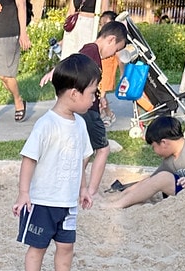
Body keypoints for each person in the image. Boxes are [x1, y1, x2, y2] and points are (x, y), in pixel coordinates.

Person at [13, 53, 98, 271]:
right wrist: (24, 192)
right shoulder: (46, 124)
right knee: (37, 247)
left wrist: (83, 189)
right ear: (74, 93)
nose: (94, 99)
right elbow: (29, 159)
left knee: (66, 246)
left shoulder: (80, 125)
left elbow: (81, 161)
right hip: (42, 201)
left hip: (68, 203)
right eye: (92, 93)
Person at [41, 21, 126, 201]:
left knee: (84, 151)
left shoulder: (92, 52)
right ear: (111, 40)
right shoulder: (91, 51)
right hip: (88, 111)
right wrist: (55, 71)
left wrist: (100, 97)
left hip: (88, 108)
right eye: (116, 49)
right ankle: (91, 190)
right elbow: (75, 61)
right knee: (102, 148)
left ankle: (71, 184)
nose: (114, 55)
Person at [109, 115, 185, 208]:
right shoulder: (169, 160)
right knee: (161, 178)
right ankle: (121, 201)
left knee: (163, 178)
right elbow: (150, 182)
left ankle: (118, 206)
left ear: (163, 142)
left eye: (153, 147)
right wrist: (127, 191)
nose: (154, 151)